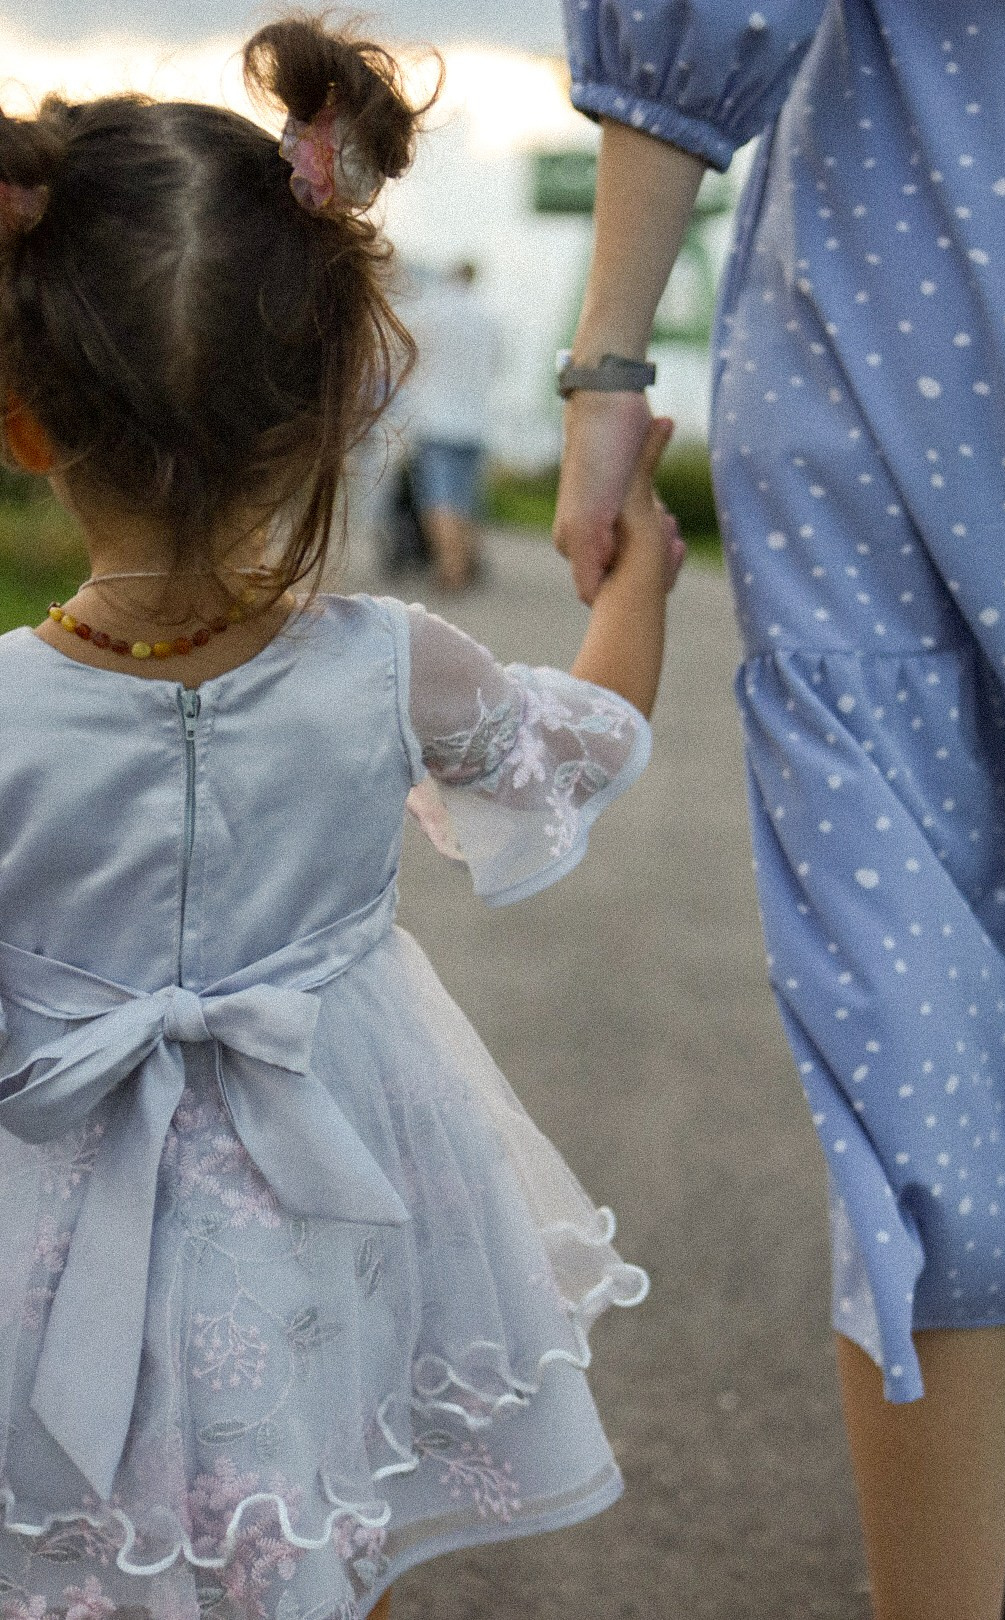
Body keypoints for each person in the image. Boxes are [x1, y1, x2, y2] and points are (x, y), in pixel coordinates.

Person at [0, 17, 685, 1620]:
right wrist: (637, 563)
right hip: (324, 1224)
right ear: (330, 405)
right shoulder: (390, 668)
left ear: (23, 420)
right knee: (327, 1512)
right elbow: (585, 745)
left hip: (33, 1235)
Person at [554, 3, 1005, 1619]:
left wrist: (608, 371)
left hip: (895, 323)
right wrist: (610, 368)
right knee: (930, 1088)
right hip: (891, 364)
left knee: (1002, 1046)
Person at [404, 262, 500, 591]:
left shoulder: (431, 311)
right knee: (465, 500)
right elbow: (495, 365)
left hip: (436, 421)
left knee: (438, 499)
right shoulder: (486, 318)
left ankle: (451, 567)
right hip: (475, 422)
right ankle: (467, 559)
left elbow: (410, 357)